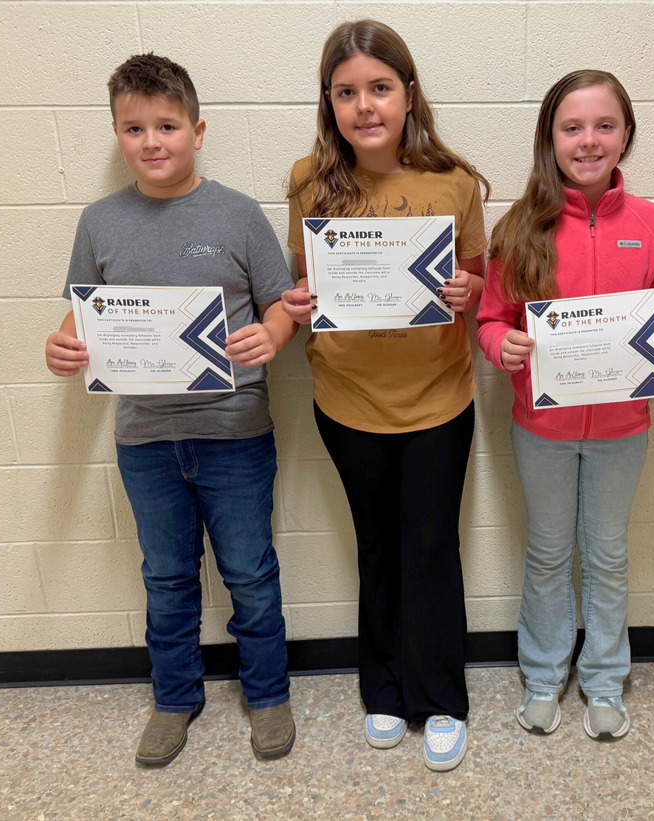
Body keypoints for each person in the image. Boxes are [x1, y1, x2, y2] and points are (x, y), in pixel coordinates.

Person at [44, 54, 298, 766]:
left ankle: (268, 690)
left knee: (249, 567)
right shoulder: (99, 223)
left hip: (235, 432)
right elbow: (79, 319)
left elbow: (283, 305)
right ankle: (174, 697)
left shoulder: (239, 214)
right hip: (145, 438)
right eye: (134, 128)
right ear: (117, 135)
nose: (152, 141)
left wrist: (273, 332)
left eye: (166, 125)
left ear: (197, 129)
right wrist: (61, 347)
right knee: (165, 573)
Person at [280, 20, 489, 772]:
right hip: (346, 401)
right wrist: (298, 303)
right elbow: (304, 281)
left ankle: (441, 698)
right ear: (329, 102)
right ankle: (384, 689)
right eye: (346, 92)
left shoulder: (455, 181)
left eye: (379, 87)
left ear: (407, 95)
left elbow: (478, 282)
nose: (364, 105)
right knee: (376, 548)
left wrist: (468, 290)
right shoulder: (309, 180)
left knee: (431, 546)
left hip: (439, 398)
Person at [476, 70, 654, 741]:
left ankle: (604, 678)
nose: (589, 140)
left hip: (622, 428)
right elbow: (491, 319)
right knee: (547, 553)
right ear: (550, 136)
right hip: (540, 426)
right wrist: (502, 345)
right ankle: (544, 675)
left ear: (626, 133)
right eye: (572, 127)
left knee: (606, 554)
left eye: (604, 125)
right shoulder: (520, 227)